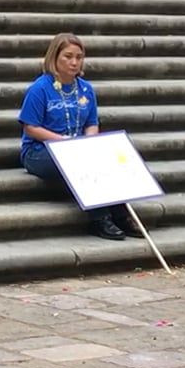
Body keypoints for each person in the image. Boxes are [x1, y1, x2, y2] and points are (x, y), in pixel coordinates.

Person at [18, 33, 132, 241]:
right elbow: (31, 127)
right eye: (68, 56)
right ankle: (100, 218)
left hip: (77, 147)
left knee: (108, 158)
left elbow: (91, 123)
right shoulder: (40, 88)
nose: (74, 62)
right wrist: (62, 142)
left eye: (79, 57)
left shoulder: (86, 89)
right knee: (78, 162)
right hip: (39, 151)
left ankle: (122, 214)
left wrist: (89, 141)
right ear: (55, 58)